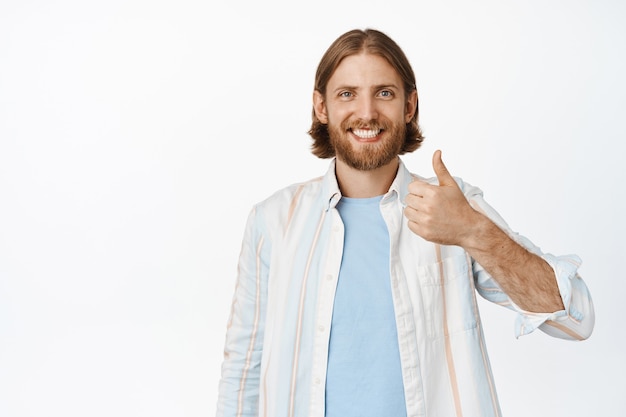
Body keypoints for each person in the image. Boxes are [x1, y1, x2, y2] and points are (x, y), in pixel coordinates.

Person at [216, 28, 594, 417]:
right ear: (321, 107)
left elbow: (574, 319)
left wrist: (471, 230)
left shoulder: (453, 207)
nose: (366, 113)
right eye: (347, 94)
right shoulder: (274, 221)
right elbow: (244, 368)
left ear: (409, 105)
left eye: (384, 93)